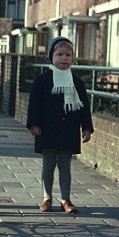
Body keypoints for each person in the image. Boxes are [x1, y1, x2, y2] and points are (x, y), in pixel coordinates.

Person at [26, 36, 94, 214]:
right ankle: (46, 198)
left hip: (69, 131)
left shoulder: (77, 82)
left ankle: (66, 199)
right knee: (48, 166)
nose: (64, 58)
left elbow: (84, 107)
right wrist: (34, 124)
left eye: (68, 55)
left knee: (65, 167)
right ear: (51, 57)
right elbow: (34, 104)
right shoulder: (41, 80)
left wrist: (86, 127)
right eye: (59, 54)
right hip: (47, 130)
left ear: (72, 58)